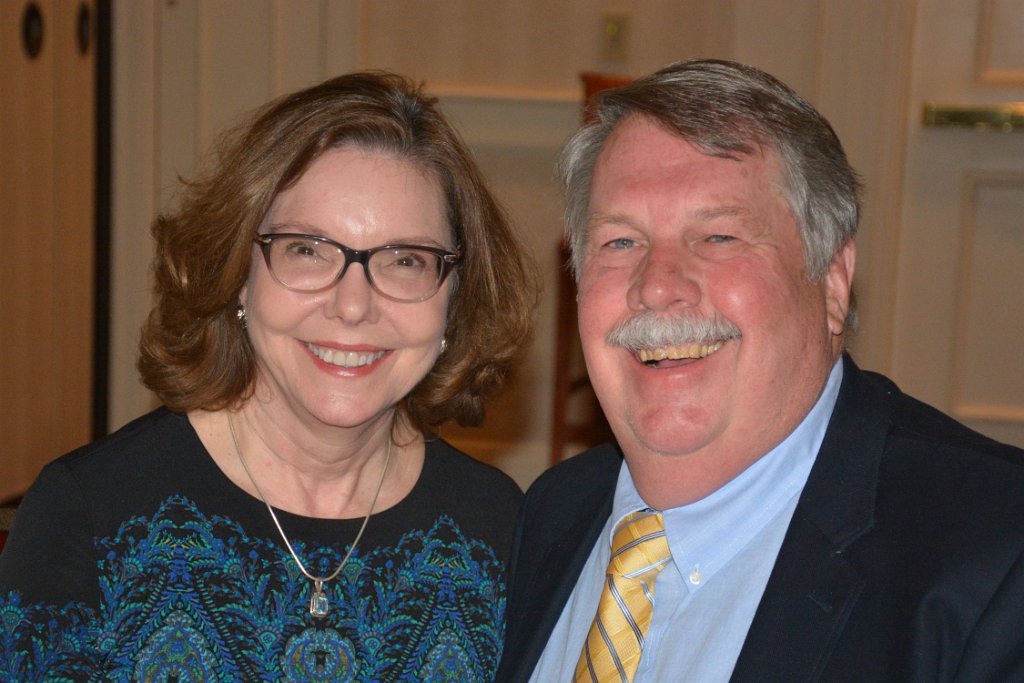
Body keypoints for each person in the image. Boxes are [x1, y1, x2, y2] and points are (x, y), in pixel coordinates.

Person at [496, 59, 1024, 683]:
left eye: (718, 237)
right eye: (621, 242)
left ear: (833, 281)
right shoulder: (554, 513)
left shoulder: (995, 556)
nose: (657, 286)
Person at [0, 71, 536, 680]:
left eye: (406, 260)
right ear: (239, 275)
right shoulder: (90, 514)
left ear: (454, 298)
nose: (353, 305)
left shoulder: (498, 531)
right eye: (307, 249)